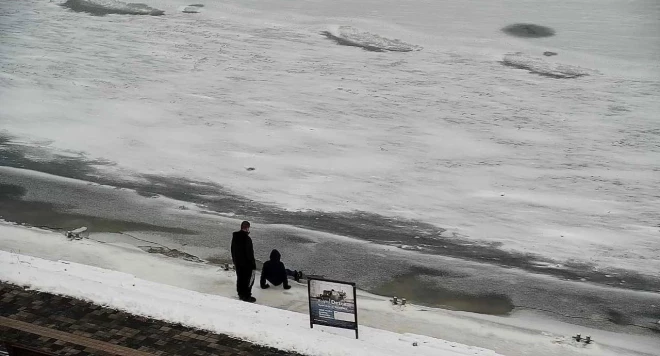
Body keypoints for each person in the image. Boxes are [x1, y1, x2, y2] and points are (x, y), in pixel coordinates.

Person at [231, 221, 256, 302]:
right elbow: (249, 253)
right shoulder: (247, 239)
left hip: (238, 263)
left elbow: (232, 250)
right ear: (247, 228)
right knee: (248, 280)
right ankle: (246, 296)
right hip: (247, 265)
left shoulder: (235, 237)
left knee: (240, 279)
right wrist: (253, 264)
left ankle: (241, 294)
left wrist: (235, 261)